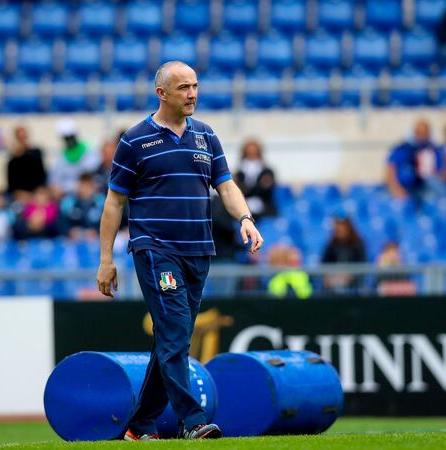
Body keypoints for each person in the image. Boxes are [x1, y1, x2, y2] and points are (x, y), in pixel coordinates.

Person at [96, 61, 263, 441]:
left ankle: (139, 427)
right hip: (155, 250)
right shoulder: (135, 140)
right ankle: (192, 420)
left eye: (195, 86)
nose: (192, 93)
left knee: (172, 338)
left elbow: (226, 186)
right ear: (162, 93)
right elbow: (113, 204)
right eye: (184, 87)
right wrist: (106, 260)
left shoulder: (206, 136)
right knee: (173, 333)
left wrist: (245, 218)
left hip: (198, 251)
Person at [385, 119, 446, 200]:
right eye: (418, 132)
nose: (421, 136)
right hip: (405, 189)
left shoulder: (434, 150)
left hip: (426, 190)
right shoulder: (402, 149)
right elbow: (390, 170)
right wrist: (396, 190)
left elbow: (442, 174)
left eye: (423, 133)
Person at [49, 118, 101, 194]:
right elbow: (54, 181)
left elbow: (91, 172)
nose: (69, 140)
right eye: (66, 138)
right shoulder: (60, 157)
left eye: (71, 137)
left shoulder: (90, 150)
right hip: (68, 196)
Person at [234, 138, 278, 219]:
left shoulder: (267, 171)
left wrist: (249, 190)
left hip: (264, 210)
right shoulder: (239, 173)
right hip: (244, 207)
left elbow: (265, 190)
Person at [321, 215, 366, 293]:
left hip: (354, 287)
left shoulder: (357, 244)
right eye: (337, 225)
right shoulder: (331, 245)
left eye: (342, 225)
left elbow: (362, 266)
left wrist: (350, 276)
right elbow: (323, 265)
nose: (339, 228)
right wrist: (329, 277)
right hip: (332, 287)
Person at [57, 173, 105, 240]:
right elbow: (60, 222)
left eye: (88, 185)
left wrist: (96, 231)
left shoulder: (101, 202)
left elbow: (107, 222)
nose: (85, 189)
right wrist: (69, 231)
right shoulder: (68, 201)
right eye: (83, 185)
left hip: (96, 240)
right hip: (72, 240)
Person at [6, 125, 47, 199]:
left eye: (23, 137)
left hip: (36, 192)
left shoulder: (36, 152)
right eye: (20, 137)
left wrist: (38, 192)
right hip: (20, 194)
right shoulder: (12, 159)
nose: (22, 140)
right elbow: (11, 182)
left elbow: (41, 173)